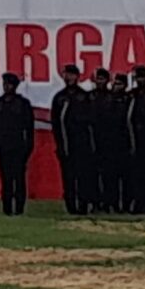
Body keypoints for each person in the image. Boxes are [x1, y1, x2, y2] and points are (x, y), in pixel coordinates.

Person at [0, 72, 34, 215]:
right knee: (6, 181)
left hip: (18, 148)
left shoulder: (23, 104)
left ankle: (19, 209)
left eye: (9, 84)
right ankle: (7, 209)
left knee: (19, 180)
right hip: (3, 149)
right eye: (5, 84)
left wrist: (27, 148)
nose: (6, 87)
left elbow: (29, 128)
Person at [50, 65, 92, 214]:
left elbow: (90, 123)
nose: (69, 78)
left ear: (78, 77)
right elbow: (55, 123)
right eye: (67, 75)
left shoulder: (84, 97)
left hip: (82, 145)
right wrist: (60, 144)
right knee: (68, 178)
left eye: (72, 75)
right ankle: (71, 206)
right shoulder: (59, 98)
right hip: (65, 145)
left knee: (83, 177)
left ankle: (83, 206)